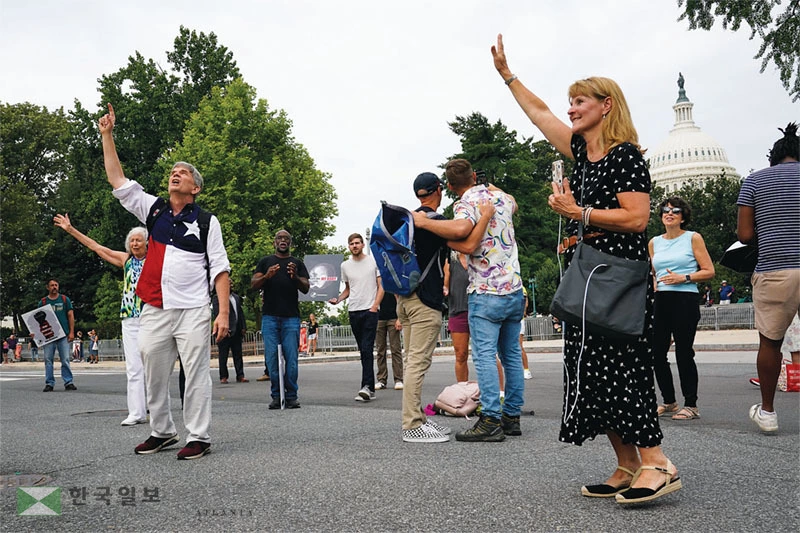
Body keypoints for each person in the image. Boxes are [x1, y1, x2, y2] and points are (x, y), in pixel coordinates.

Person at [491, 34, 680, 503]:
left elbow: (637, 219)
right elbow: (540, 115)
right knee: (589, 368)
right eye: (570, 103)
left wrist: (579, 214)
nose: (571, 109)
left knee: (624, 366)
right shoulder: (581, 153)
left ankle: (658, 463)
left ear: (606, 105)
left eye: (579, 102)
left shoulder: (625, 157)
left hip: (619, 273)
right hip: (589, 268)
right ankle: (627, 464)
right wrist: (508, 77)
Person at [100, 102, 231, 460]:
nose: (176, 173)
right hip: (155, 307)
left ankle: (199, 436)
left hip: (192, 310)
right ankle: (162, 431)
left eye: (184, 172)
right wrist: (107, 135)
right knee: (152, 372)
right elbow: (118, 180)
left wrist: (222, 313)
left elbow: (220, 268)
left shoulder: (206, 221)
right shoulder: (153, 210)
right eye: (174, 170)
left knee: (196, 375)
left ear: (195, 188)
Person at [414, 161, 523, 444]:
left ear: (449, 186)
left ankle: (489, 420)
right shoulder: (501, 198)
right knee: (511, 355)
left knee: (485, 355)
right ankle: (511, 416)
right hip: (514, 288)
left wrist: (426, 223)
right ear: (475, 176)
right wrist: (489, 187)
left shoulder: (465, 203)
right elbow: (514, 204)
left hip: (486, 291)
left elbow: (463, 229)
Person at [53, 213, 149, 425]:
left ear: (147, 243)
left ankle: (157, 409)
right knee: (133, 367)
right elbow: (97, 247)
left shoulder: (156, 260)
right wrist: (71, 230)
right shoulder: (126, 260)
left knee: (153, 368)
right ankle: (136, 412)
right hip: (130, 318)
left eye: (138, 240)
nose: (134, 243)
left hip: (152, 318)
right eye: (132, 240)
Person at [737, 122, 800, 433]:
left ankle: (769, 412)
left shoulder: (754, 181)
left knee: (771, 342)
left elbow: (745, 234)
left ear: (773, 158)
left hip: (775, 268)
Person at [648, 197, 715, 421]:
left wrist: (684, 277)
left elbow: (708, 271)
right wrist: (657, 285)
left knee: (683, 352)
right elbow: (654, 272)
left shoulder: (693, 238)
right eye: (665, 211)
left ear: (683, 216)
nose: (669, 213)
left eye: (675, 211)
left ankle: (691, 404)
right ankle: (668, 401)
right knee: (656, 353)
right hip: (662, 300)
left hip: (685, 298)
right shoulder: (654, 242)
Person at [251, 230, 310, 409]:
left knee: (291, 359)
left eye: (286, 239)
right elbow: (253, 284)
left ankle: (291, 396)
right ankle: (277, 395)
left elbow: (306, 287)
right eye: (279, 238)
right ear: (274, 242)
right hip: (270, 317)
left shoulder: (297, 263)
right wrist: (266, 276)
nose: (283, 241)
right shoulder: (265, 262)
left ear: (290, 243)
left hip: (290, 318)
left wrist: (295, 278)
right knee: (271, 359)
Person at [330, 234, 383, 402]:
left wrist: (375, 306)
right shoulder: (345, 266)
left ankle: (367, 387)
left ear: (362, 244)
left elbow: (382, 286)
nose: (354, 246)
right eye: (351, 243)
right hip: (353, 310)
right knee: (363, 350)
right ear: (348, 246)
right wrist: (338, 299)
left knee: (367, 348)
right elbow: (348, 289)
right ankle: (369, 387)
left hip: (370, 310)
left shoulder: (373, 262)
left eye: (357, 243)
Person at [444, 251, 507, 390]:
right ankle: (463, 392)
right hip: (458, 310)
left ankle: (500, 392)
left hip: (481, 310)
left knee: (488, 353)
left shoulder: (481, 258)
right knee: (461, 354)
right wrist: (444, 288)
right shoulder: (450, 261)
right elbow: (445, 283)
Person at [39, 278, 77, 392]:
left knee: (65, 359)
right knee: (48, 359)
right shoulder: (43, 302)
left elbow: (70, 316)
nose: (54, 287)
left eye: (56, 285)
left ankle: (68, 382)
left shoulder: (65, 300)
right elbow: (37, 320)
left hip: (63, 334)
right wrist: (36, 334)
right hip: (49, 335)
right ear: (47, 287)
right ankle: (49, 383)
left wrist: (71, 332)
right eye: (52, 285)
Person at [213, 277, 248, 384]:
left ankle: (240, 375)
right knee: (223, 355)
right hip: (224, 332)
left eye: (232, 283)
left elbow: (240, 313)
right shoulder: (216, 298)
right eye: (229, 283)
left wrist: (243, 327)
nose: (231, 285)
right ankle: (223, 376)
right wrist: (223, 327)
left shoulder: (236, 298)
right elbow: (216, 312)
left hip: (237, 331)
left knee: (238, 354)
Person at [374, 292, 403, 390]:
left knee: (395, 349)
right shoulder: (376, 282)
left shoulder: (392, 279)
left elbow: (399, 299)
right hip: (379, 318)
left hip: (393, 317)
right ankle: (381, 379)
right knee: (380, 350)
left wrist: (400, 318)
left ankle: (398, 379)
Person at [520, 287, 532, 380]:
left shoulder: (521, 287)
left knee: (519, 346)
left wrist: (523, 312)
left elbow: (525, 302)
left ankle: (526, 369)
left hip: (518, 319)